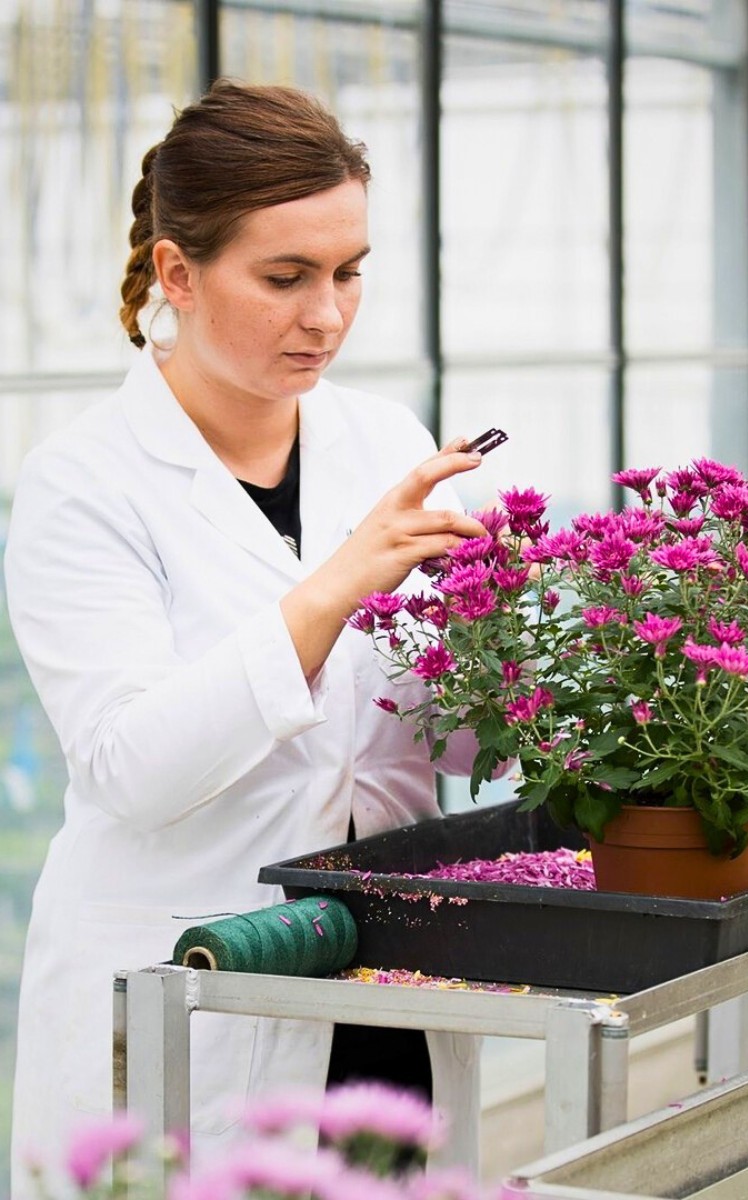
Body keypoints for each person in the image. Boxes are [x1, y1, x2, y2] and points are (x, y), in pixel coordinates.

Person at [5, 79, 491, 1197]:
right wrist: (339, 585)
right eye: (286, 277)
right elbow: (131, 766)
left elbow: (448, 740)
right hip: (194, 991)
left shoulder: (385, 440)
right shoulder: (83, 483)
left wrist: (509, 646)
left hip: (387, 993)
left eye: (349, 271)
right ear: (178, 274)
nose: (327, 315)